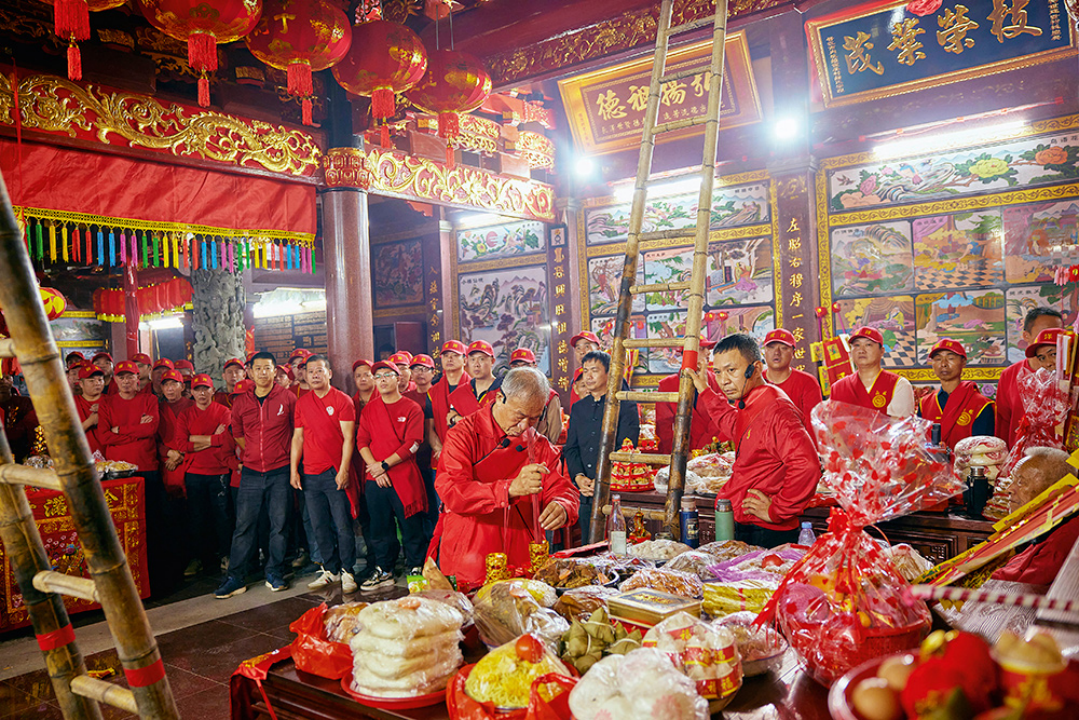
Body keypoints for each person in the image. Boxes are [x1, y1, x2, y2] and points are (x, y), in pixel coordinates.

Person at [430, 368, 579, 589]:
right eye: (519, 416)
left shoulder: (539, 445)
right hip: (472, 547)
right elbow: (453, 492)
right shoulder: (464, 434)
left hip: (523, 552)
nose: (524, 427)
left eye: (534, 418)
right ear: (500, 397)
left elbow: (562, 488)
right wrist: (509, 489)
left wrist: (563, 505)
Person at [687, 333, 819, 547]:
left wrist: (777, 509)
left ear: (755, 368)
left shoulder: (776, 407)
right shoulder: (752, 400)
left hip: (766, 529)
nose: (724, 381)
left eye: (732, 370)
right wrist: (705, 390)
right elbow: (733, 423)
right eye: (718, 372)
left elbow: (808, 465)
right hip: (745, 518)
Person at [217, 351, 297, 598]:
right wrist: (253, 452)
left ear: (275, 371)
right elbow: (238, 434)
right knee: (243, 525)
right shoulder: (241, 401)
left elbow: (297, 433)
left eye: (268, 368)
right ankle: (236, 577)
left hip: (280, 469)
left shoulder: (288, 397)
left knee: (279, 525)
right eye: (258, 368)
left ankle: (274, 571)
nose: (263, 373)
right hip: (251, 472)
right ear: (249, 372)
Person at [355, 360, 428, 590]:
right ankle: (384, 568)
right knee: (379, 526)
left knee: (410, 525)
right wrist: (375, 468)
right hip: (375, 477)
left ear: (399, 378)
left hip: (403, 475)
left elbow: (413, 444)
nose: (383, 379)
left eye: (388, 375)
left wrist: (384, 465)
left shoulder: (412, 408)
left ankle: (415, 565)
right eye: (378, 376)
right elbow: (362, 442)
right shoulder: (370, 409)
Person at [99, 360, 168, 592]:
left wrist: (121, 430)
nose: (126, 381)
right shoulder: (107, 403)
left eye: (131, 377)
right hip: (117, 470)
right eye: (121, 377)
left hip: (146, 466)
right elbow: (105, 437)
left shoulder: (149, 400)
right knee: (120, 523)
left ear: (138, 379)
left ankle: (154, 573)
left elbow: (151, 429)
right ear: (114, 380)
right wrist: (135, 430)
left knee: (152, 521)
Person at [291, 355, 357, 593]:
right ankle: (331, 569)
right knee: (318, 525)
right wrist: (293, 470)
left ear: (329, 373)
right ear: (305, 376)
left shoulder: (342, 400)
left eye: (319, 370)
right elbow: (298, 437)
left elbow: (349, 438)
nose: (315, 375)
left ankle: (348, 570)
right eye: (310, 372)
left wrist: (343, 470)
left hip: (334, 472)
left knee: (342, 524)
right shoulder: (302, 403)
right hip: (310, 473)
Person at [564, 350, 639, 544]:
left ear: (608, 373)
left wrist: (604, 479)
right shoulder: (579, 408)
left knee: (618, 544)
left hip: (614, 489)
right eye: (585, 370)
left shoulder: (624, 405)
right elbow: (571, 448)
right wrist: (579, 477)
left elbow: (627, 447)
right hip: (586, 491)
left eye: (594, 370)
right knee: (590, 544)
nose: (588, 376)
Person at [992, 447, 1079, 585]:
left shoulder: (1062, 540)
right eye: (1012, 480)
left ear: (1053, 491)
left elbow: (1021, 590)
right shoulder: (1048, 525)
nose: (1009, 489)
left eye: (1021, 482)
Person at [176, 374, 233, 578]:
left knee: (223, 516)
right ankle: (199, 558)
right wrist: (213, 439)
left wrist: (196, 439)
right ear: (191, 392)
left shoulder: (223, 411)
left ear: (212, 391)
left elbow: (227, 440)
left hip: (218, 470)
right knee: (197, 517)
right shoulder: (185, 415)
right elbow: (182, 445)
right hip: (194, 472)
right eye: (197, 389)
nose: (202, 393)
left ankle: (226, 554)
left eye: (206, 389)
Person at [997, 308, 1065, 448]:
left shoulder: (1071, 375)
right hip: (1021, 460)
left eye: (1058, 333)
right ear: (1026, 336)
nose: (1052, 338)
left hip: (1065, 460)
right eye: (1045, 332)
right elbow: (1003, 423)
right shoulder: (1009, 375)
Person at [918, 339, 994, 449]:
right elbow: (920, 443)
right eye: (938, 359)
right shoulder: (925, 403)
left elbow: (983, 452)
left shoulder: (981, 405)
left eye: (950, 358)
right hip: (932, 466)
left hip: (967, 466)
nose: (943, 364)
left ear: (963, 362)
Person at [656, 335, 722, 455]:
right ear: (686, 353)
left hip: (712, 452)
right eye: (702, 348)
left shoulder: (719, 381)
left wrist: (707, 451)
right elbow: (663, 427)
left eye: (708, 348)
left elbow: (723, 419)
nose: (708, 352)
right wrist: (678, 455)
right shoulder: (667, 385)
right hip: (681, 454)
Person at [829, 326, 915, 418]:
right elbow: (834, 426)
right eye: (856, 345)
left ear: (881, 351)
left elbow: (902, 428)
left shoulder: (899, 385)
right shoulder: (838, 388)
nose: (861, 350)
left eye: (868, 345)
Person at [761, 328, 823, 438]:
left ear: (793, 353)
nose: (777, 352)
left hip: (796, 447)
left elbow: (812, 424)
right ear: (764, 352)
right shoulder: (754, 381)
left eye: (784, 348)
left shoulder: (807, 382)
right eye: (771, 347)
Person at [406, 354, 439, 541]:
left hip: (434, 460)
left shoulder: (440, 394)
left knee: (435, 505)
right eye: (416, 369)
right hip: (411, 461)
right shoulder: (406, 398)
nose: (420, 373)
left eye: (425, 369)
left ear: (433, 372)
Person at [509, 348, 563, 443]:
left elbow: (554, 430)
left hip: (538, 449)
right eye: (516, 366)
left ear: (534, 367)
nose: (521, 371)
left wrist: (546, 450)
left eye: (526, 366)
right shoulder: (506, 394)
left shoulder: (549, 396)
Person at [429, 340, 469, 462]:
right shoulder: (433, 392)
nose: (449, 359)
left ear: (465, 360)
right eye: (446, 356)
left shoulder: (474, 388)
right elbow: (429, 428)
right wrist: (440, 449)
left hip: (469, 454)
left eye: (455, 355)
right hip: (440, 455)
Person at [447, 341, 502, 427]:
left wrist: (458, 419)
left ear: (492, 361)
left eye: (481, 359)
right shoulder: (460, 393)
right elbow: (451, 422)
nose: (476, 364)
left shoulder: (503, 390)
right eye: (472, 359)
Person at [158, 369, 194, 499]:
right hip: (167, 463)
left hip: (191, 461)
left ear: (182, 386)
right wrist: (169, 453)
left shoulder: (193, 406)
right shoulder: (158, 408)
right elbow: (153, 439)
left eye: (174, 384)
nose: (170, 389)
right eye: (166, 385)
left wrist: (180, 455)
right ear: (161, 388)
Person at [74, 364, 106, 457]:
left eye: (100, 380)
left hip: (109, 459)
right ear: (81, 384)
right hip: (82, 458)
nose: (97, 383)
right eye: (91, 381)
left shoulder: (112, 401)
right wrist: (90, 421)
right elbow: (66, 436)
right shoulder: (71, 403)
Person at [568, 331, 601, 407]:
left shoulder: (610, 374)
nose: (582, 352)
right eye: (578, 348)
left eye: (587, 347)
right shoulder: (576, 378)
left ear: (598, 349)